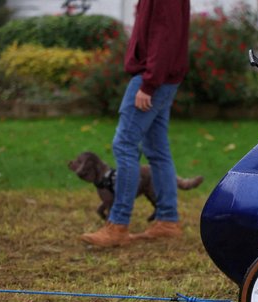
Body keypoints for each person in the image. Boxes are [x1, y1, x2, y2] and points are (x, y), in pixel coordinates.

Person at [81, 0, 190, 247]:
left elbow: (165, 36)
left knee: (124, 144)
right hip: (161, 77)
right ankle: (167, 221)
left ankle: (118, 224)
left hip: (153, 79)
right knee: (156, 149)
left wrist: (149, 84)